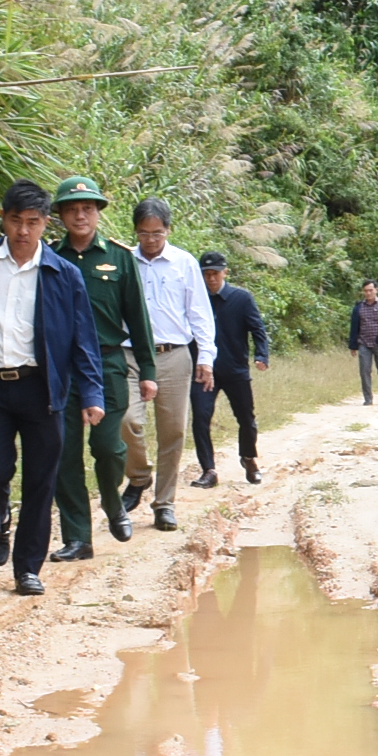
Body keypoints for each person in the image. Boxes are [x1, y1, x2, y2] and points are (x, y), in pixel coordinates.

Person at [0, 184, 105, 599]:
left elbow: (83, 339)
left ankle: (27, 569)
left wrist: (92, 394)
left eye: (32, 222)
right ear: (3, 218)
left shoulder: (62, 273)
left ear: (45, 224)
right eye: (15, 221)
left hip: (43, 390)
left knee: (41, 481)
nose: (23, 231)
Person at [48, 175, 156, 562]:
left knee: (108, 447)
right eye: (73, 209)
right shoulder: (49, 257)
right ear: (60, 215)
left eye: (88, 209)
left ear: (98, 213)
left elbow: (138, 317)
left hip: (108, 361)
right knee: (64, 453)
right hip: (61, 367)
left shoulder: (119, 256)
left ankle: (113, 504)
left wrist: (147, 370)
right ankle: (78, 537)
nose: (81, 216)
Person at [122, 198, 212, 532]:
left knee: (173, 430)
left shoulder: (184, 263)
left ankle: (164, 503)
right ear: (136, 232)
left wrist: (206, 357)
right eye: (144, 234)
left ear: (168, 230)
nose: (150, 240)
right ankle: (139, 476)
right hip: (130, 354)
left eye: (157, 233)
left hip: (174, 354)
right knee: (127, 419)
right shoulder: (124, 262)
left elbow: (199, 311)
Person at [192, 252, 270, 486]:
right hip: (204, 372)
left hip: (235, 370)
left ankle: (248, 458)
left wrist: (261, 355)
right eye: (206, 274)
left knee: (246, 418)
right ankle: (208, 470)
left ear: (225, 272)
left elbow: (258, 329)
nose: (211, 278)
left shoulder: (241, 298)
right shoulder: (195, 300)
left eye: (215, 273)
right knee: (200, 419)